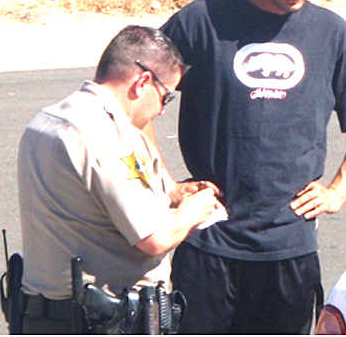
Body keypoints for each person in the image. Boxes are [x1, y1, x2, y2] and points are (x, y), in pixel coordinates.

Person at [158, 0, 346, 335]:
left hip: (289, 248)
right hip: (210, 240)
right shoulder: (202, 22)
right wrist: (165, 184)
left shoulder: (330, 33)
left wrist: (339, 188)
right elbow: (135, 95)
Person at [17, 25, 222, 334]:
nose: (162, 112)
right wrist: (191, 211)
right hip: (103, 317)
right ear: (142, 82)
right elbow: (155, 238)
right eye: (166, 97)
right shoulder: (108, 135)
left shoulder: (48, 119)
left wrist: (173, 192)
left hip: (45, 312)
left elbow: (94, 203)